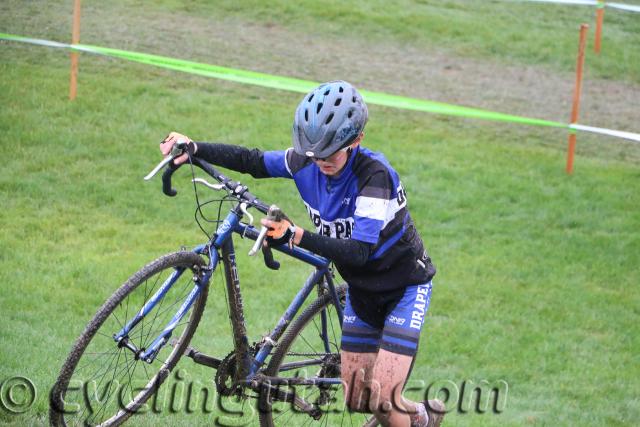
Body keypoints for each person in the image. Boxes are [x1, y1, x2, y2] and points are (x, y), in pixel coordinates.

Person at [160, 81, 444, 427]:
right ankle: (422, 415)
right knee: (359, 399)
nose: (321, 161)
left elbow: (358, 252)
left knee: (383, 398)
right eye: (315, 153)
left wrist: (296, 235)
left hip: (403, 289)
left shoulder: (374, 176)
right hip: (361, 291)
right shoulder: (307, 161)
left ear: (356, 141)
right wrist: (196, 147)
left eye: (331, 153)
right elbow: (253, 161)